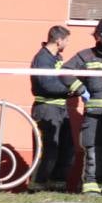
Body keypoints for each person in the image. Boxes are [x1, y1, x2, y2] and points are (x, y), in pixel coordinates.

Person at [63, 16, 102, 195]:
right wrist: (81, 89)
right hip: (93, 114)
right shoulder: (86, 56)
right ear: (98, 36)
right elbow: (65, 72)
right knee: (93, 150)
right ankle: (90, 186)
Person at [29, 24, 74, 191]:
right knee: (49, 149)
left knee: (66, 149)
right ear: (58, 40)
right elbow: (47, 84)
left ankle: (57, 186)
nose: (67, 44)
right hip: (47, 109)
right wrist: (71, 89)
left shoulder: (56, 58)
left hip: (61, 109)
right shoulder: (42, 59)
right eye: (67, 40)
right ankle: (37, 186)